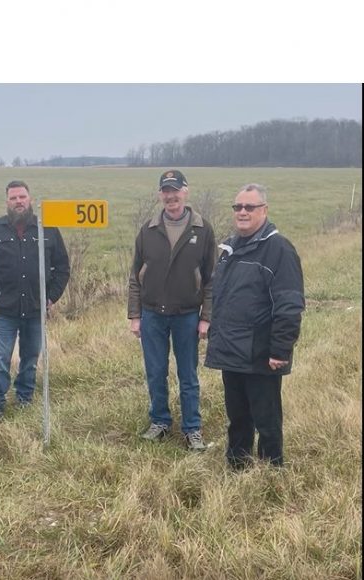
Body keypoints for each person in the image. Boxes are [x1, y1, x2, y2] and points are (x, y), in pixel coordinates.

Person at [205, 184, 305, 469]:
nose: (243, 212)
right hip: (231, 351)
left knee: (267, 417)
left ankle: (272, 471)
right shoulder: (230, 247)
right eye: (237, 207)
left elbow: (289, 304)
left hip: (261, 354)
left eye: (250, 207)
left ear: (264, 210)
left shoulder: (279, 250)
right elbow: (223, 299)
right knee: (237, 416)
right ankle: (237, 465)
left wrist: (280, 349)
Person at [128, 170, 216, 450]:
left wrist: (206, 317)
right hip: (152, 314)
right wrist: (135, 314)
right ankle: (160, 422)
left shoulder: (203, 229)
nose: (170, 196)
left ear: (185, 192)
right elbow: (135, 276)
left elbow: (212, 277)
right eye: (165, 191)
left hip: (187, 315)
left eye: (175, 190)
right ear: (159, 195)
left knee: (187, 374)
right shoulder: (148, 229)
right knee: (155, 372)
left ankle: (192, 429)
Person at [0, 180, 70, 421]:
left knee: (30, 358)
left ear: (30, 200)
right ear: (7, 202)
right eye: (14, 198)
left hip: (36, 309)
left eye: (22, 197)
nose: (19, 201)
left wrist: (52, 297)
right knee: (0, 360)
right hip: (4, 309)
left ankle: (24, 399)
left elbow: (62, 267)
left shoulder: (47, 229)